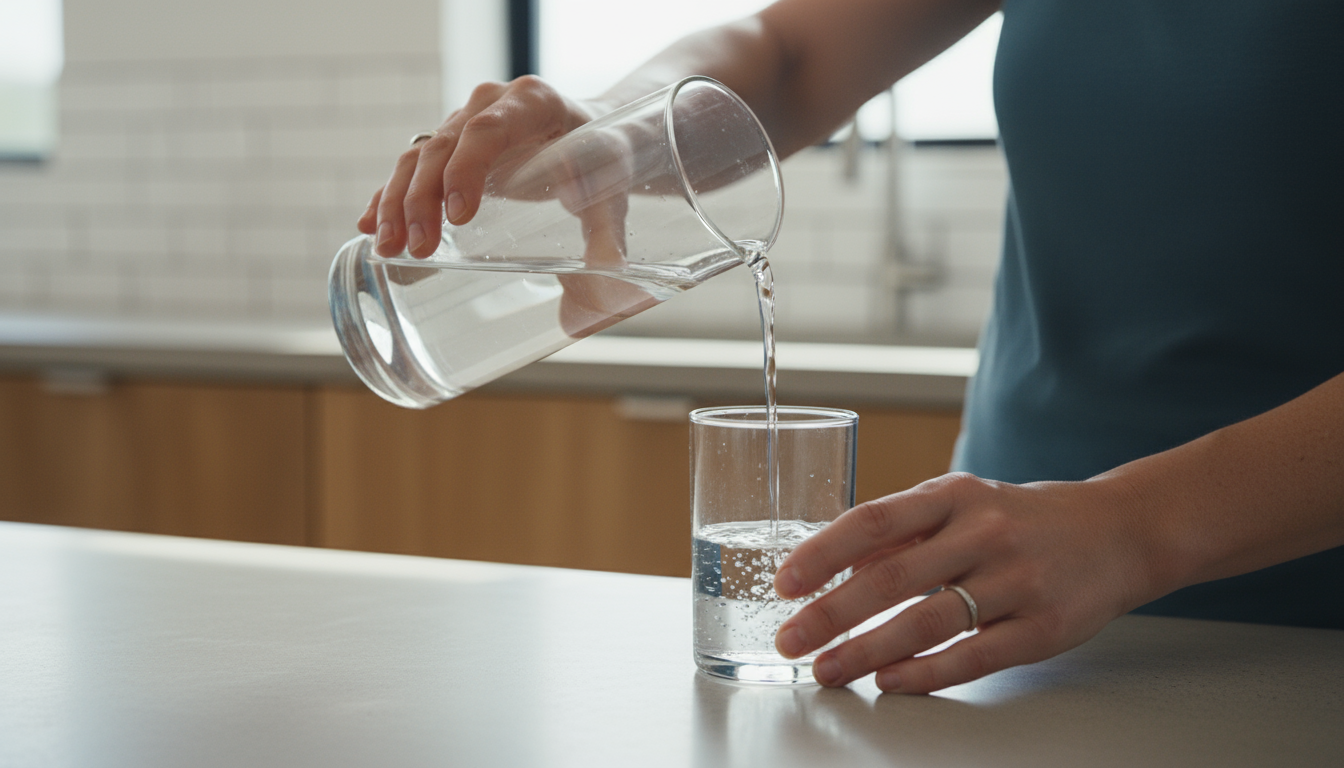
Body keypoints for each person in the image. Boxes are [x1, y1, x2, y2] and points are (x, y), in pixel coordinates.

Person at [357, 0, 1344, 693]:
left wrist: (1133, 525)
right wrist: (617, 132)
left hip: (1302, 633)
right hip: (994, 612)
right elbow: (787, 48)